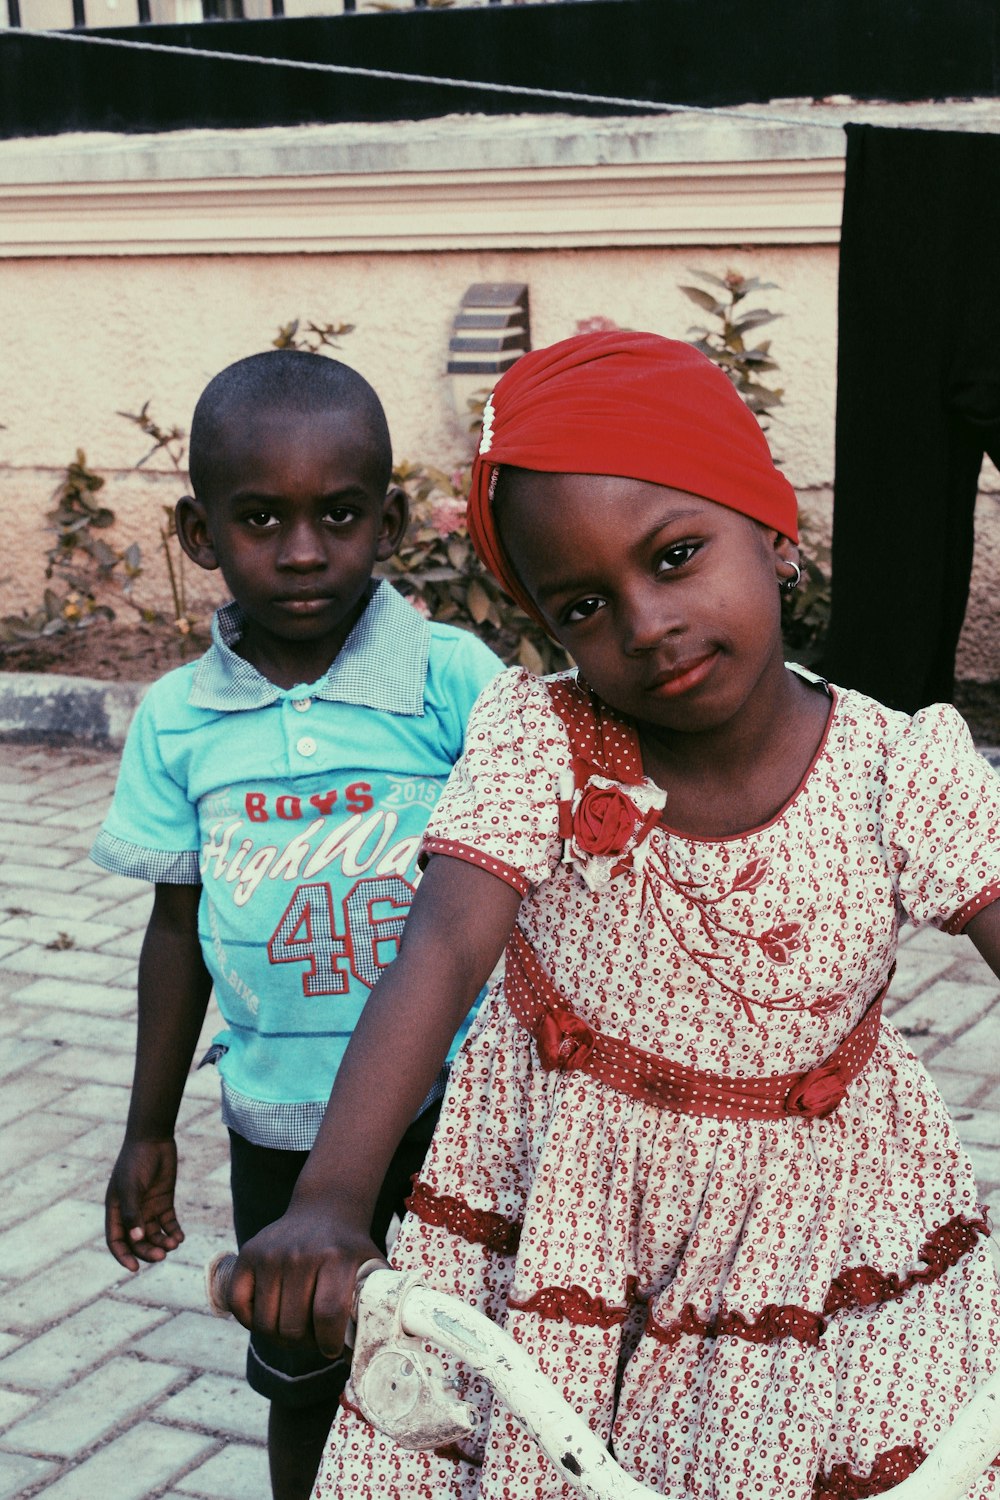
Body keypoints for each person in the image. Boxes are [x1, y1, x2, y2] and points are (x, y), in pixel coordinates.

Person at [229, 332, 1000, 1500]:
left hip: (805, 1239)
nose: (643, 624)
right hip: (564, 1214)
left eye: (676, 556)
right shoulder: (541, 739)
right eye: (585, 604)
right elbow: (440, 948)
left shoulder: (904, 774)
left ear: (772, 530)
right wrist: (332, 1198)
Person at [91, 349, 503, 1500]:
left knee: (484, 1372)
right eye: (261, 517)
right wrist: (148, 1130)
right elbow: (177, 933)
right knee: (305, 1375)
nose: (306, 550)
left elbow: (537, 885)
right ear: (198, 531)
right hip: (280, 1124)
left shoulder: (452, 684)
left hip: (460, 1113)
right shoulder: (178, 723)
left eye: (338, 514)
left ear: (389, 518)